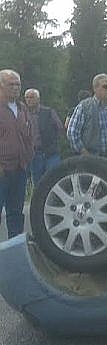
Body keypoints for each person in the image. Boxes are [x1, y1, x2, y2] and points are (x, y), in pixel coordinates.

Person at [0, 69, 33, 239]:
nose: (15, 87)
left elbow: (30, 136)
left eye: (18, 84)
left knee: (16, 214)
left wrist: (28, 160)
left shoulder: (22, 108)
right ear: (1, 86)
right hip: (2, 170)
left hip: (20, 169)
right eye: (11, 84)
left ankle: (14, 247)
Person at [66, 73, 107, 161]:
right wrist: (84, 153)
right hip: (91, 159)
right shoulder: (84, 107)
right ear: (95, 88)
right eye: (105, 86)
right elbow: (72, 133)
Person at [24, 88, 64, 185]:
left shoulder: (49, 112)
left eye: (31, 97)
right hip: (34, 154)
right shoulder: (24, 114)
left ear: (38, 99)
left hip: (50, 152)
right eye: (27, 97)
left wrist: (53, 140)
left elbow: (60, 128)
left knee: (53, 179)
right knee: (38, 183)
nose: (29, 100)